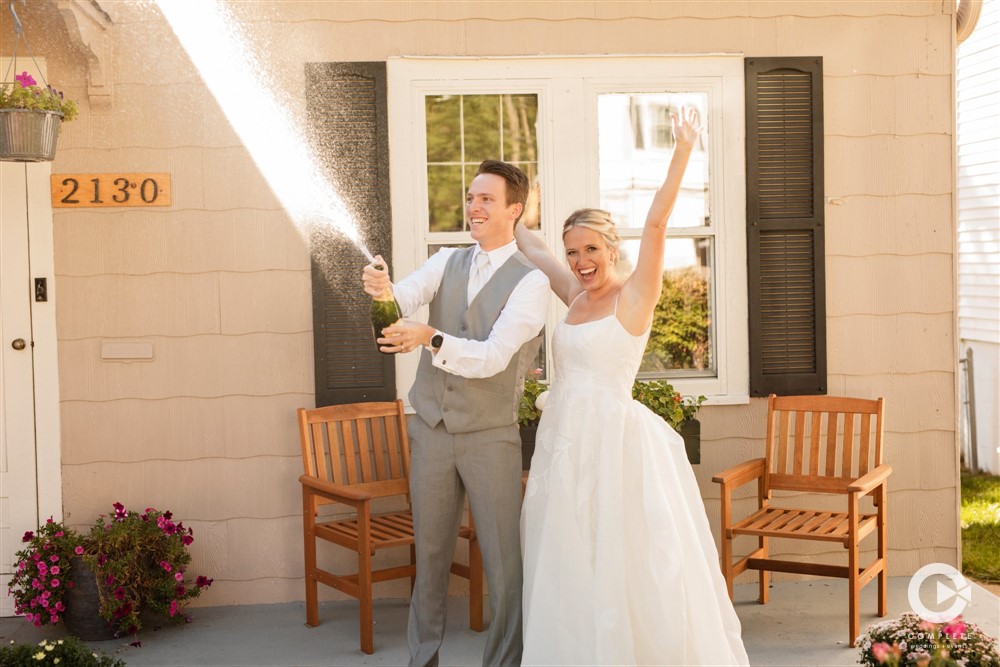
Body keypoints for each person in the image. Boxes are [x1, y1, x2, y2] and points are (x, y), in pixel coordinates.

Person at [514, 108, 749, 666]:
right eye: (573, 251)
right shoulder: (573, 293)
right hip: (564, 445)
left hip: (615, 447)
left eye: (590, 249)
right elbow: (533, 248)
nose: (580, 261)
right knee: (569, 555)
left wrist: (684, 149)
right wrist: (517, 211)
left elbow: (658, 225)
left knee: (625, 559)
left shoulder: (633, 296)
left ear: (611, 247)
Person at [361, 160, 549, 667]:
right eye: (470, 197)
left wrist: (428, 336)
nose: (474, 207)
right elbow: (402, 299)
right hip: (431, 430)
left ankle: (504, 662)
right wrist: (382, 290)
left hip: (489, 437)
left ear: (515, 208)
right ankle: (422, 659)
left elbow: (491, 357)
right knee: (430, 557)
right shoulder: (446, 261)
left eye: (486, 198)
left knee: (503, 564)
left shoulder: (533, 283)